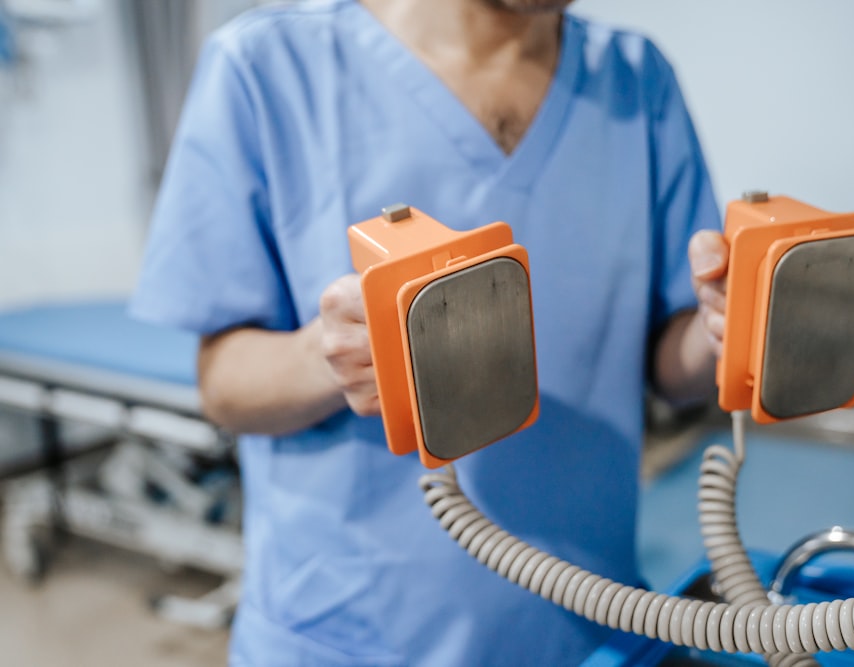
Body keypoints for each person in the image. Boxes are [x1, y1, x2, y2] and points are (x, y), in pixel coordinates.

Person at [131, 0, 730, 664]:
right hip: (356, 637)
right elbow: (222, 384)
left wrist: (723, 333)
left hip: (591, 621)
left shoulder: (635, 80)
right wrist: (329, 357)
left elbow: (668, 363)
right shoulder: (267, 69)